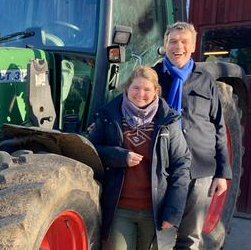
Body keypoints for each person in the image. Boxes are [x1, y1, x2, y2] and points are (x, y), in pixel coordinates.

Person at [88, 66, 191, 250]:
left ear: (156, 92)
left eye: (147, 89)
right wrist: (119, 156)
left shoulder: (168, 121)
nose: (140, 94)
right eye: (136, 88)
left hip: (155, 211)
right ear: (127, 88)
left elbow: (181, 165)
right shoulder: (108, 116)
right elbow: (90, 150)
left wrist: (172, 212)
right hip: (120, 209)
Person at [154, 21, 232, 249]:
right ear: (165, 45)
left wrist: (222, 173)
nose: (178, 47)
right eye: (173, 42)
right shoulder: (154, 77)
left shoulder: (205, 79)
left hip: (200, 169)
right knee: (159, 234)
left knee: (191, 238)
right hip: (164, 168)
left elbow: (218, 127)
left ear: (193, 46)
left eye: (184, 42)